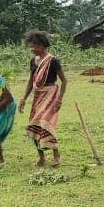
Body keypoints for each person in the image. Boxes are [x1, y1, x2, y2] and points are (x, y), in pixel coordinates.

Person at [18, 29, 67, 167]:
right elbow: (31, 81)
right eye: (30, 46)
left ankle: (56, 156)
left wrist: (60, 99)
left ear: (41, 45)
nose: (31, 49)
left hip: (51, 95)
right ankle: (42, 158)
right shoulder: (33, 61)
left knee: (45, 124)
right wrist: (23, 98)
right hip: (37, 96)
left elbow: (64, 80)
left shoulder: (53, 61)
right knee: (34, 125)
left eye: (33, 46)